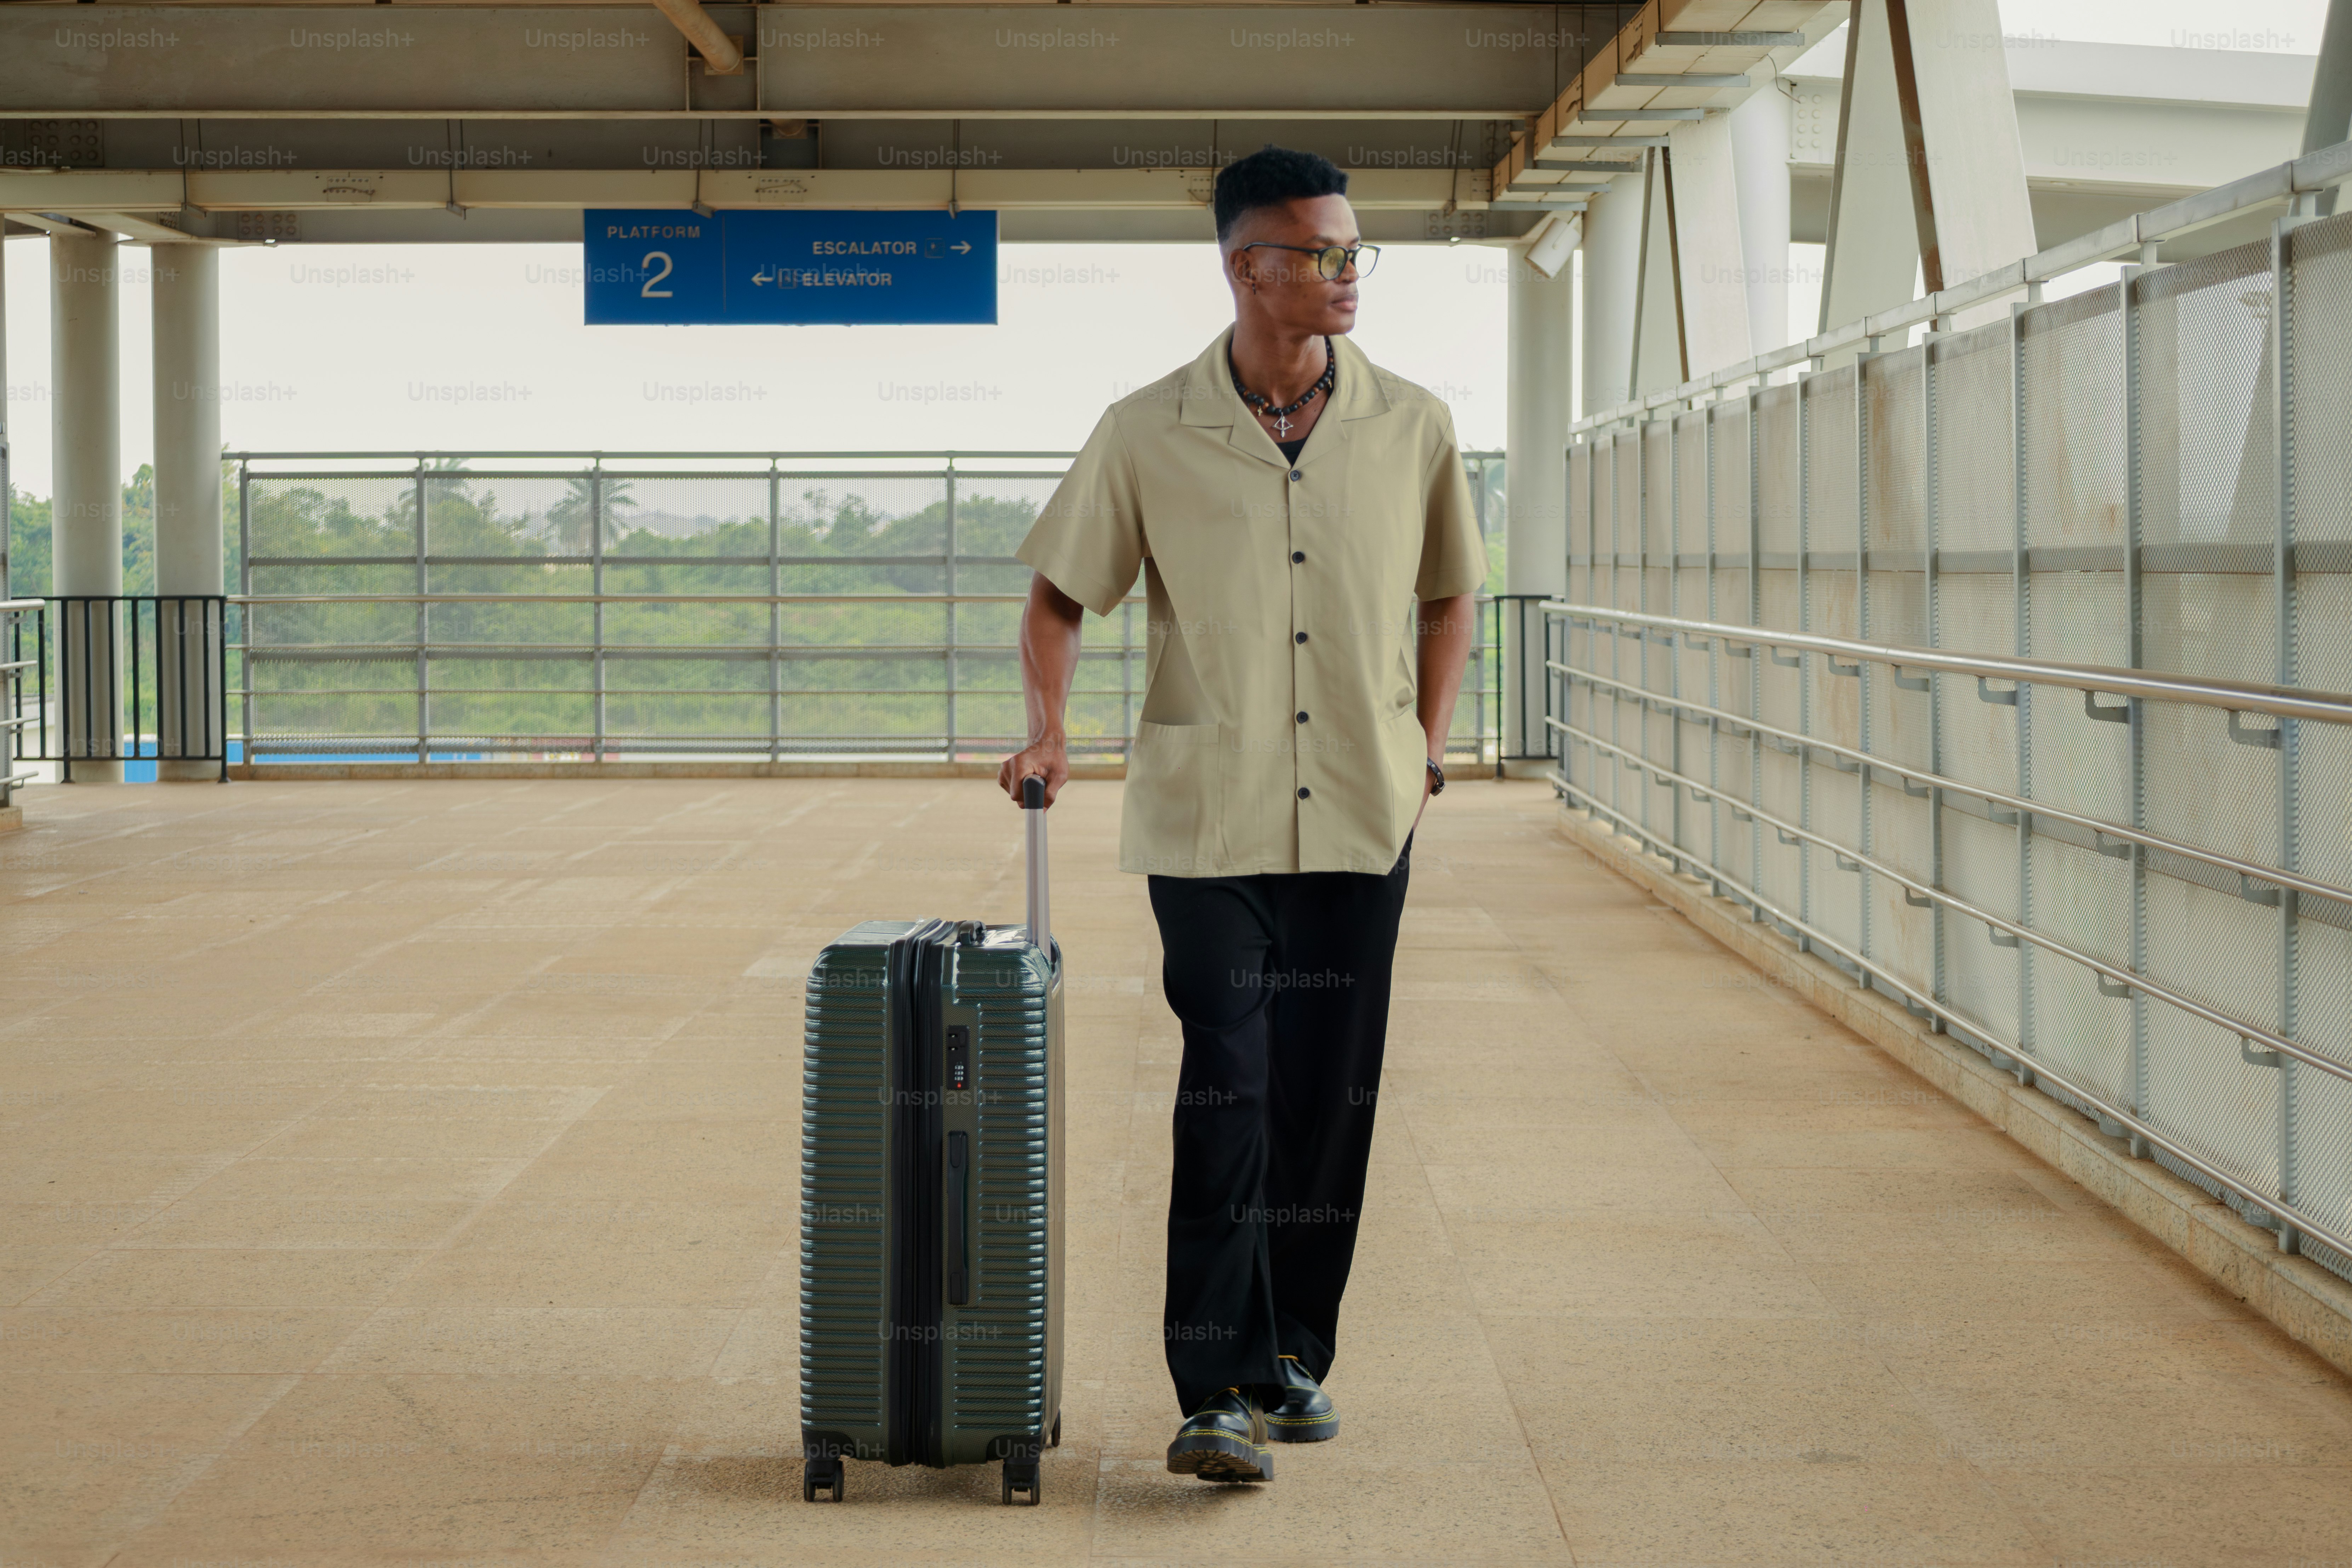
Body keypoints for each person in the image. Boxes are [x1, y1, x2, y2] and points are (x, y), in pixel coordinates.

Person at [997, 145, 1482, 1484]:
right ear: (1243, 267)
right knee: (1233, 1079)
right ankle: (1211, 1383)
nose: (1344, 275)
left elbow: (1452, 594)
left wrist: (1427, 749)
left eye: (1352, 251)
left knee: (1329, 1095)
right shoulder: (1146, 428)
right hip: (1208, 824)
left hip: (1364, 816)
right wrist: (1049, 728)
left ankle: (1292, 1359)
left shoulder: (1413, 423)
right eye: (1318, 253)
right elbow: (1057, 595)